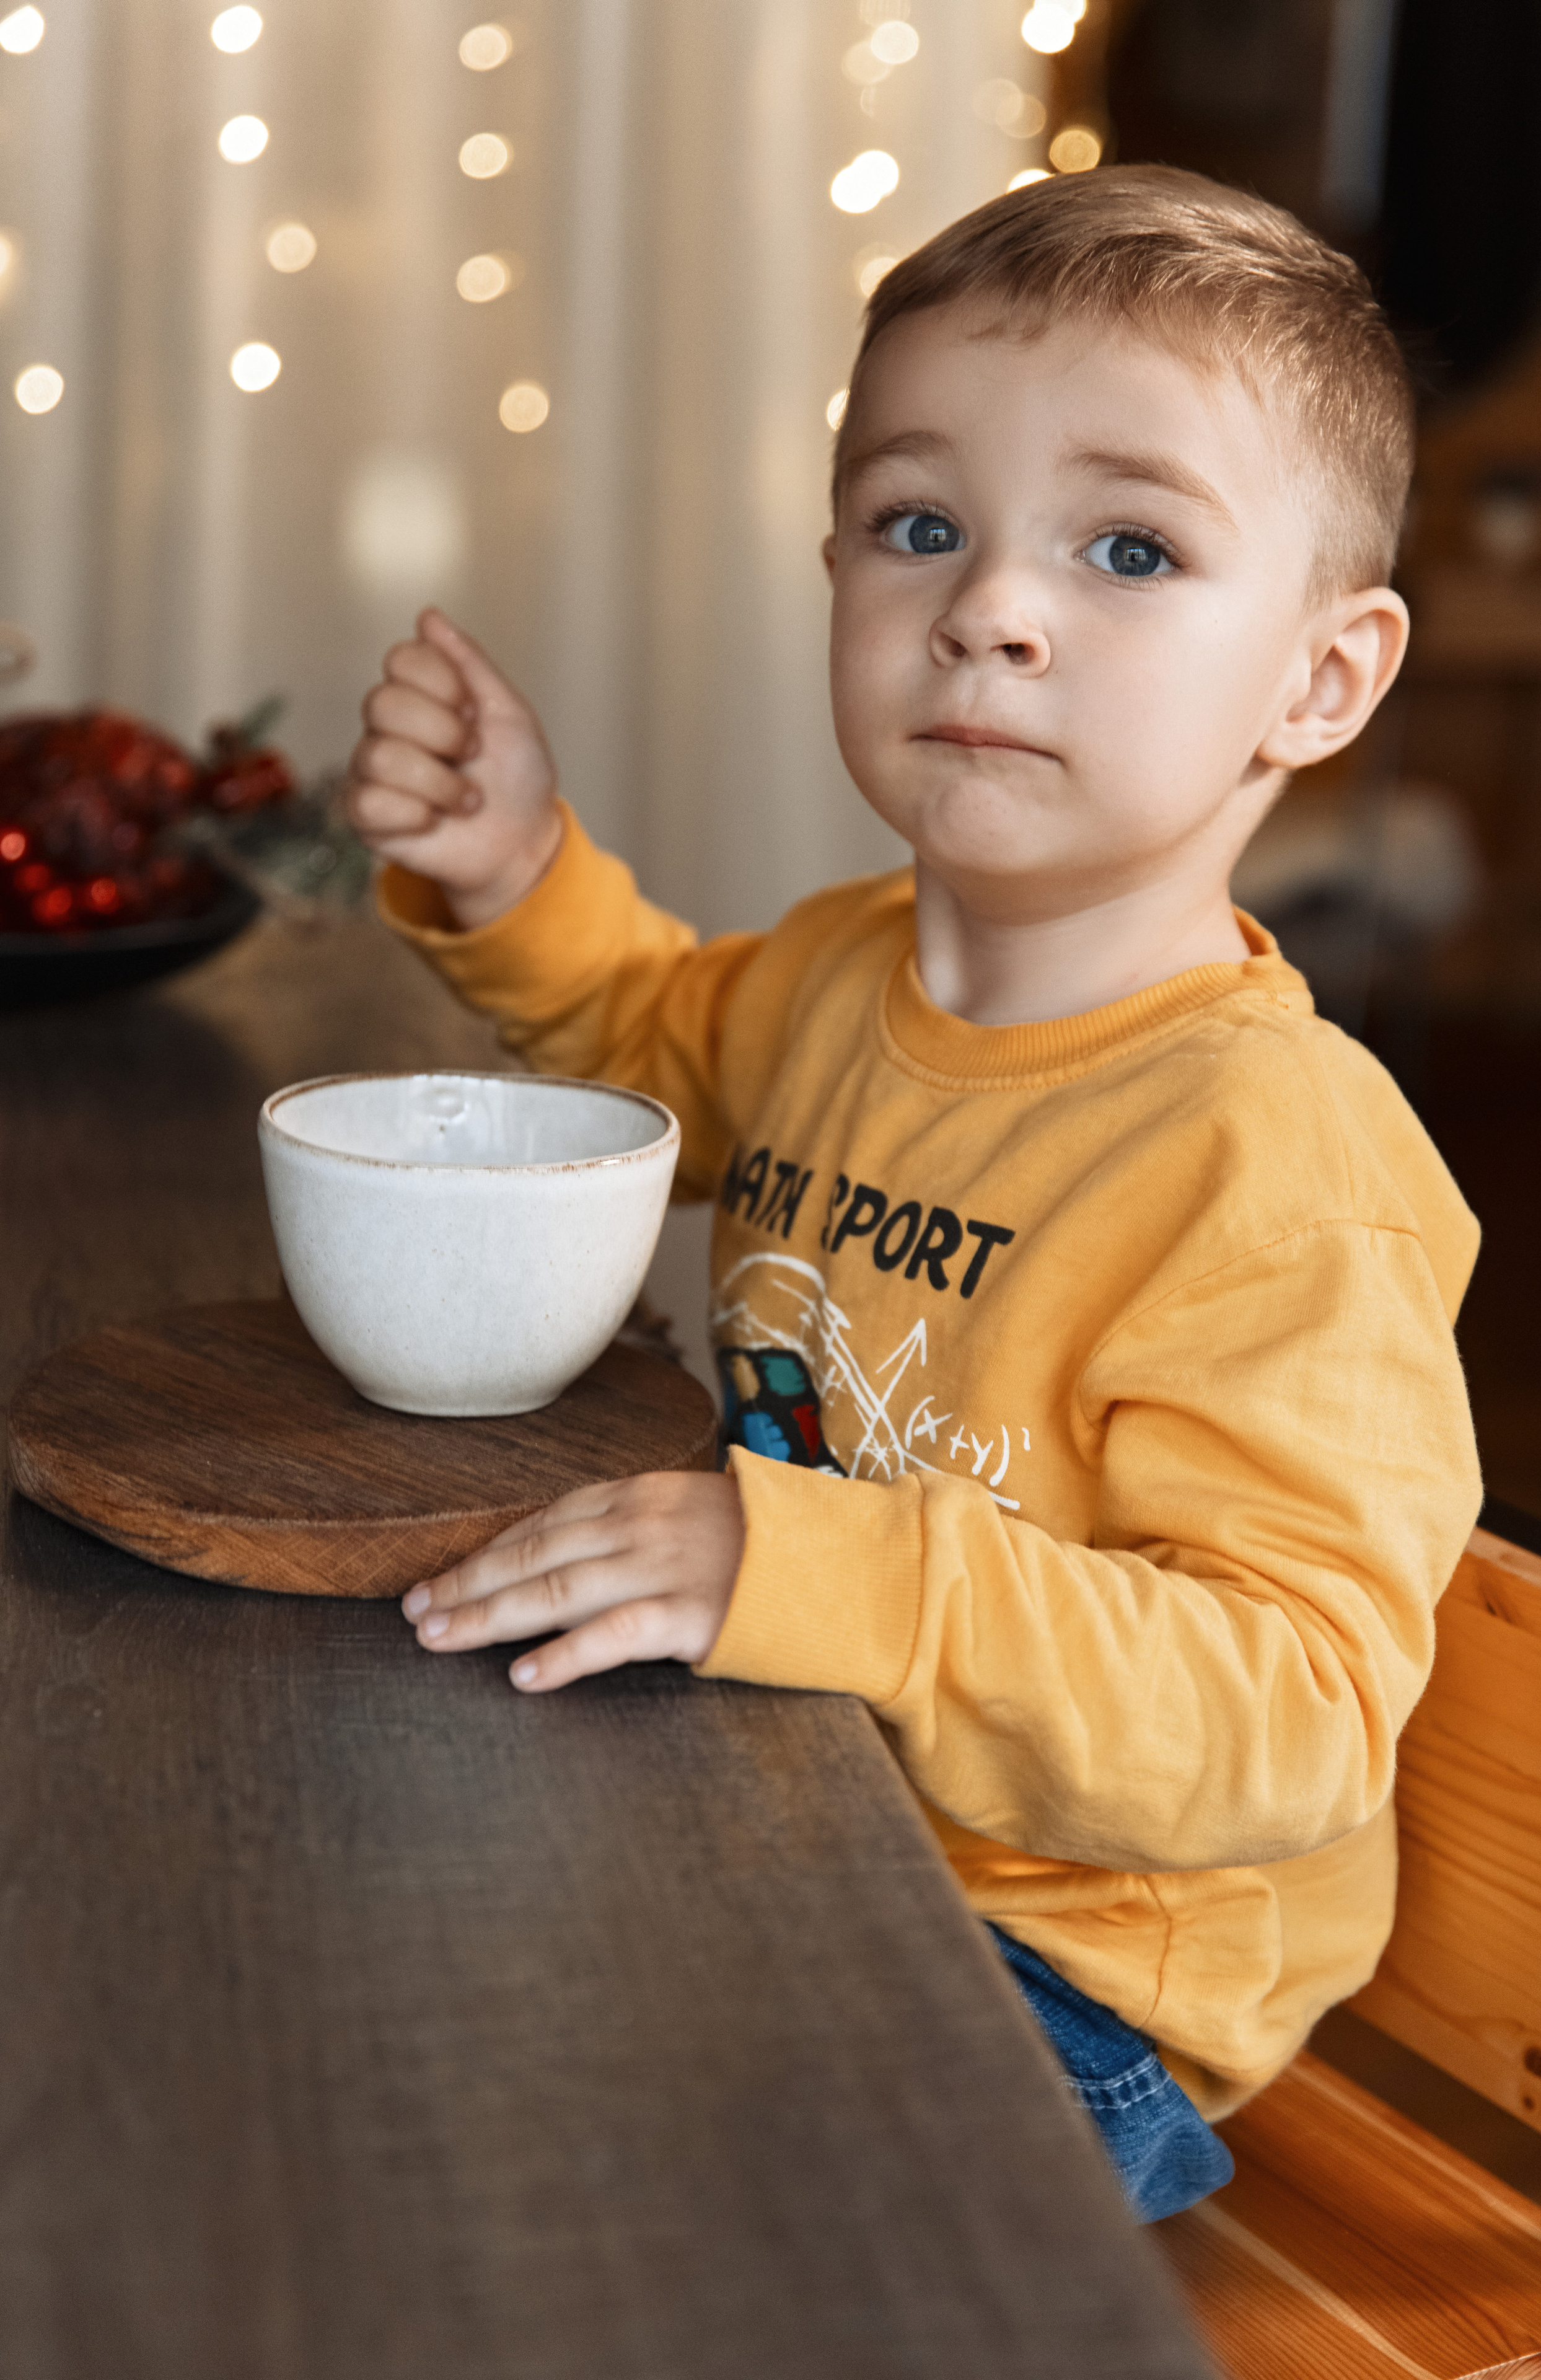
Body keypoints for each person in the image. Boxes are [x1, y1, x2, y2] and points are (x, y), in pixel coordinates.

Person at [346, 166, 1481, 2223]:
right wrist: (516, 871)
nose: (989, 606)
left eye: (1129, 547)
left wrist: (820, 1576)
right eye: (919, 524)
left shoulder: (1282, 1164)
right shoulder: (844, 968)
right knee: (359, 1992)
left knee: (572, 2206)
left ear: (1322, 681)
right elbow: (636, 1053)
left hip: (1058, 1975)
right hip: (788, 1791)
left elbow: (1295, 1717)